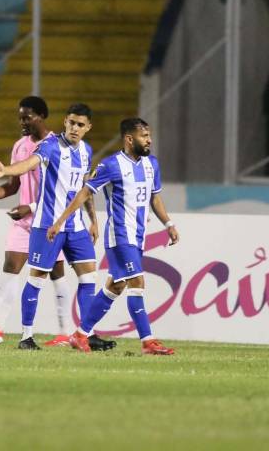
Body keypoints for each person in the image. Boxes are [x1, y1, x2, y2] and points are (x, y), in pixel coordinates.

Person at [0, 103, 115, 352]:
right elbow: (28, 164)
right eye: (71, 122)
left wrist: (94, 221)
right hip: (47, 225)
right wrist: (6, 170)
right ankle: (26, 336)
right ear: (65, 121)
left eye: (80, 125)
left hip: (76, 227)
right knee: (38, 279)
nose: (75, 128)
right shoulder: (51, 146)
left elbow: (86, 187)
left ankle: (85, 333)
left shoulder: (86, 150)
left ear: (88, 127)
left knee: (89, 278)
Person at [47, 118, 179, 355]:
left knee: (115, 286)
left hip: (138, 236)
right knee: (137, 282)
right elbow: (85, 192)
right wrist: (61, 220)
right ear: (129, 139)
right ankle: (148, 341)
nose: (149, 140)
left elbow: (155, 197)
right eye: (144, 136)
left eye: (149, 135)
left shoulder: (152, 165)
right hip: (120, 236)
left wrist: (168, 223)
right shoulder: (111, 165)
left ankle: (80, 334)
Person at [0, 96, 73, 347]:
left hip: (50, 223)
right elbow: (13, 185)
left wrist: (30, 207)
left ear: (42, 116)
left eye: (27, 117)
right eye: (20, 117)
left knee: (57, 275)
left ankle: (66, 333)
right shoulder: (20, 145)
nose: (22, 122)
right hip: (24, 223)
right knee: (11, 266)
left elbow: (64, 191)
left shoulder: (59, 147)